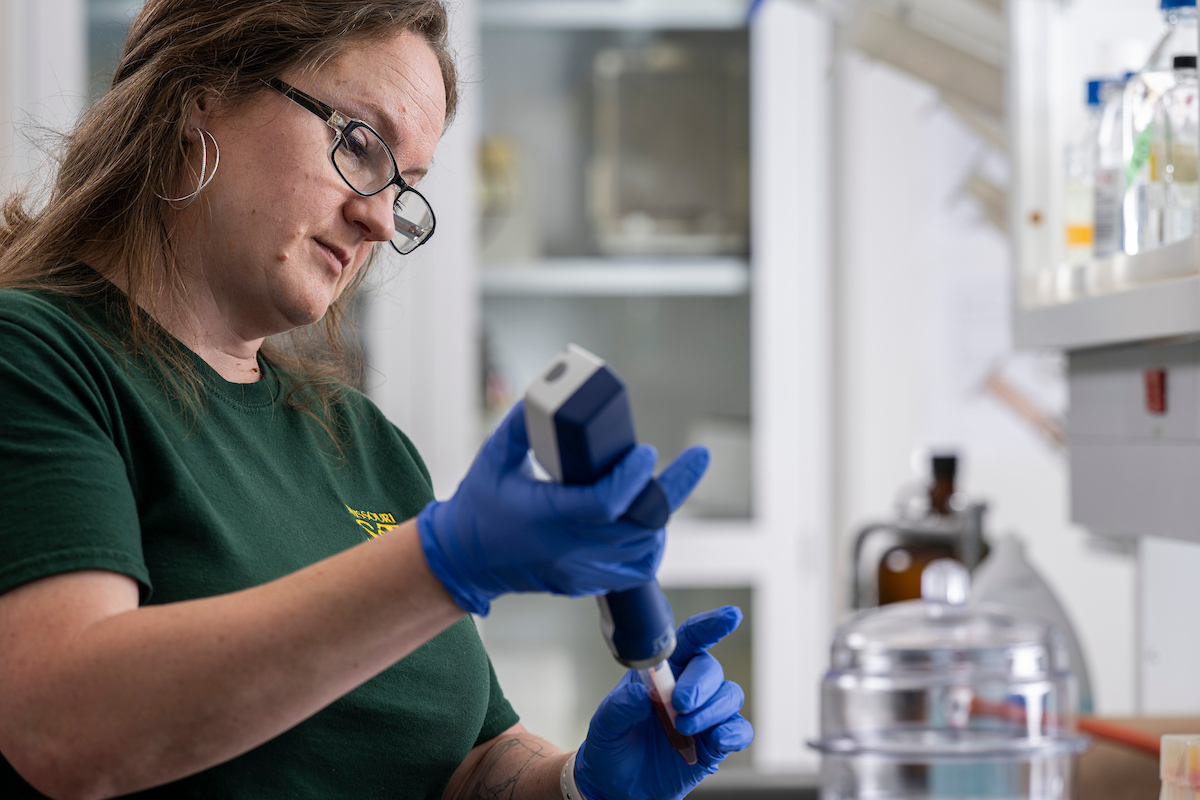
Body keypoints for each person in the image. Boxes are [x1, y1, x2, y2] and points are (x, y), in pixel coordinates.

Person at [0, 1, 754, 798]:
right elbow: (65, 727)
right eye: (359, 145)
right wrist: (440, 563)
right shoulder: (37, 357)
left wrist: (575, 785)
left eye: (407, 186)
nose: (380, 217)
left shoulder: (355, 438)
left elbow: (469, 761)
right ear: (202, 96)